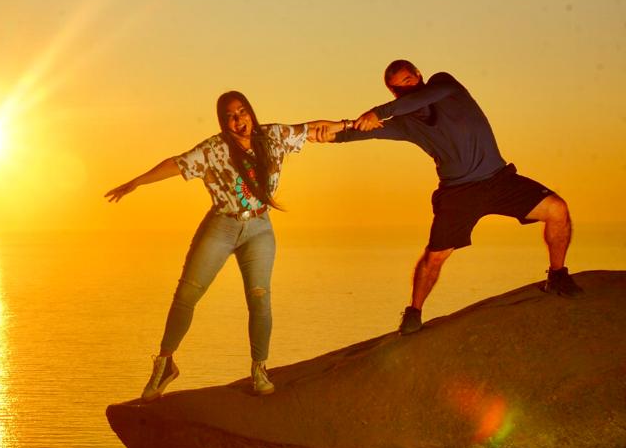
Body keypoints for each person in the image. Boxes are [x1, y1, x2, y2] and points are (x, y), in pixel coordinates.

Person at [321, 59, 582, 334]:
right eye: (398, 89)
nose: (406, 90)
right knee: (434, 257)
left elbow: (422, 97)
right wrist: (323, 134)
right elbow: (352, 133)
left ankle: (557, 276)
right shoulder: (406, 123)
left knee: (557, 210)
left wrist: (378, 112)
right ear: (393, 93)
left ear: (419, 75)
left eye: (408, 81)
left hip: (500, 180)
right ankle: (414, 311)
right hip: (458, 194)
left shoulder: (444, 84)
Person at [105, 91, 334, 401]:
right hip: (222, 225)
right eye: (231, 116)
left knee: (260, 298)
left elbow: (312, 129)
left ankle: (259, 368)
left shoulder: (273, 136)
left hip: (259, 228)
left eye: (242, 112)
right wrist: (137, 181)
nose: (239, 119)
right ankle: (165, 363)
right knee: (187, 294)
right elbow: (177, 163)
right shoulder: (214, 149)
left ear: (251, 112)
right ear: (224, 122)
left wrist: (351, 124)